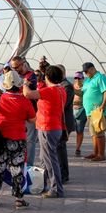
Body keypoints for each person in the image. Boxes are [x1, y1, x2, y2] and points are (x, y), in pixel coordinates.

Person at [0, 70, 36, 209]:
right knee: (17, 169)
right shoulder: (25, 101)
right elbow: (33, 119)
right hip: (18, 138)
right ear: (19, 85)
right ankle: (19, 200)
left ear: (5, 85)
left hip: (0, 138)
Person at [23, 65, 66, 198]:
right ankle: (44, 184)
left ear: (47, 77)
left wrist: (25, 83)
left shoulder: (50, 90)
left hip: (48, 128)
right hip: (53, 127)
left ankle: (56, 189)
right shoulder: (61, 90)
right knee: (44, 158)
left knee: (50, 161)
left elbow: (27, 94)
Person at [78, 62, 106, 162]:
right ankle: (96, 152)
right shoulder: (88, 80)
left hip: (97, 110)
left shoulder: (100, 77)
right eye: (85, 72)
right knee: (93, 133)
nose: (86, 73)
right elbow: (82, 93)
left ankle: (101, 154)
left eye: (87, 71)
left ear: (92, 69)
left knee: (99, 132)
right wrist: (72, 88)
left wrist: (103, 106)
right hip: (89, 111)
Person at [10, 56, 38, 165]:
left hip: (30, 112)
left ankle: (29, 165)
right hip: (17, 113)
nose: (15, 69)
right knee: (17, 138)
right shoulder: (15, 75)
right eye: (13, 67)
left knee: (30, 140)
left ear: (23, 64)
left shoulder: (31, 76)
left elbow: (27, 93)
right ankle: (18, 162)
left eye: (17, 67)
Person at [56, 65, 75, 182]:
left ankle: (64, 174)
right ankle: (59, 172)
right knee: (58, 147)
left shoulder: (67, 86)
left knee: (60, 147)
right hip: (58, 121)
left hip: (64, 122)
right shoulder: (60, 85)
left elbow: (63, 104)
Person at [72, 72, 87, 157]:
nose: (77, 79)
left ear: (82, 78)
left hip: (82, 110)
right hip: (72, 110)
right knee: (67, 129)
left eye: (79, 78)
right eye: (76, 78)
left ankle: (78, 148)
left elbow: (80, 94)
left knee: (79, 130)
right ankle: (60, 145)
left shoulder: (85, 87)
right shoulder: (71, 86)